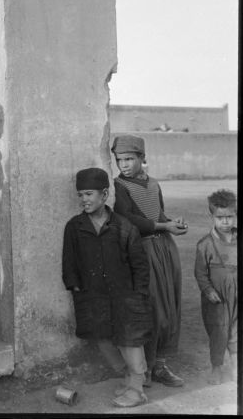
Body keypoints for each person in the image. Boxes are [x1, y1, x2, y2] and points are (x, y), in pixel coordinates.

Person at [62, 167, 153, 408]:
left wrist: (139, 295)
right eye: (80, 194)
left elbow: (140, 266)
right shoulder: (75, 226)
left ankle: (137, 390)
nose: (84, 200)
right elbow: (69, 262)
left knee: (129, 341)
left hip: (125, 297)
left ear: (104, 195)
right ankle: (127, 377)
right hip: (94, 297)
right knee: (102, 338)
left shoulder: (124, 228)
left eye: (89, 194)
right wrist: (75, 288)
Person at [111, 135, 187, 388]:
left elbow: (158, 212)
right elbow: (127, 218)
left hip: (165, 248)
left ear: (142, 159)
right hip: (141, 251)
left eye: (130, 159)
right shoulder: (119, 186)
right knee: (152, 309)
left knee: (169, 306)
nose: (124, 165)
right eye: (120, 160)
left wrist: (172, 223)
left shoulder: (154, 184)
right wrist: (163, 225)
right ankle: (143, 368)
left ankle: (161, 365)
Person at [194, 189, 237, 385]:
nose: (226, 222)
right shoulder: (205, 244)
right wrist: (208, 290)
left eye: (230, 216)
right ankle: (216, 367)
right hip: (217, 298)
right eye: (220, 218)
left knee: (237, 333)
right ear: (212, 216)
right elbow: (200, 273)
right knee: (218, 332)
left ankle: (236, 368)